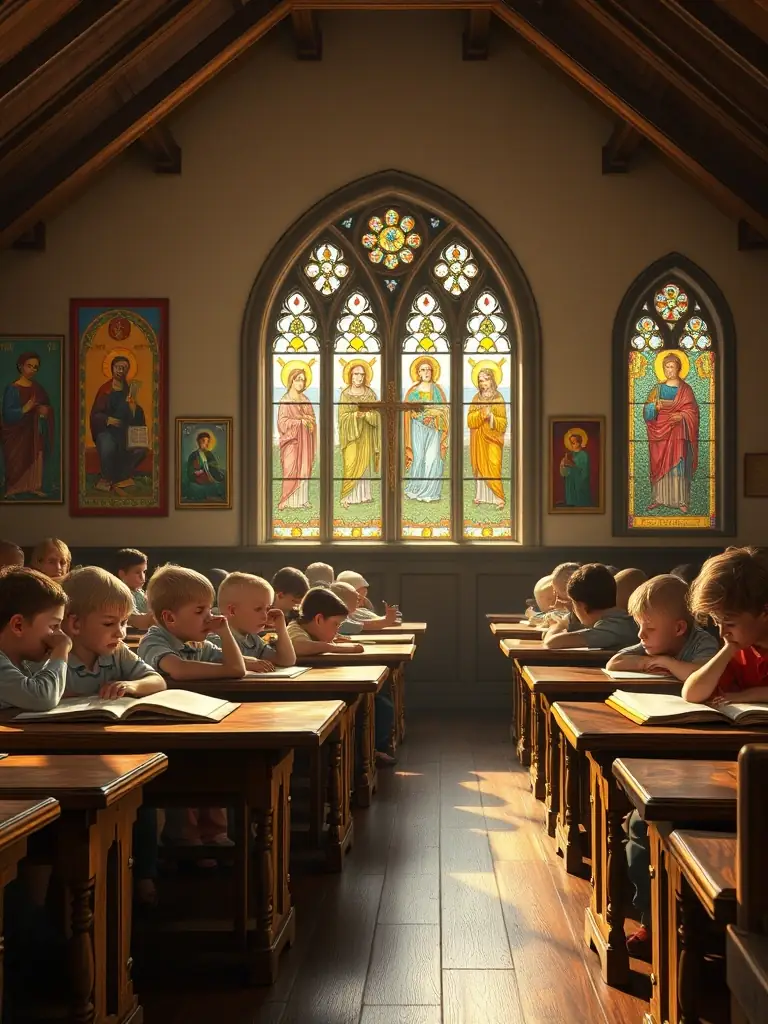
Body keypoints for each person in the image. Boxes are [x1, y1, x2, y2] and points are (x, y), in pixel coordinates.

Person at [606, 574, 719, 960]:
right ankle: (650, 915)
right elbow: (616, 661)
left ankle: (671, 921)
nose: (641, 634)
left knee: (646, 821)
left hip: (705, 746)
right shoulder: (651, 640)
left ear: (680, 628)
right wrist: (648, 659)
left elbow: (702, 675)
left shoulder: (704, 643)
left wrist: (667, 663)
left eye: (648, 628)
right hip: (671, 734)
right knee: (638, 820)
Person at [60, 567, 165, 905]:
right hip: (64, 756)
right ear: (74, 624)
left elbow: (157, 681)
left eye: (124, 623)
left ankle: (143, 875)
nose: (120, 633)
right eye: (109, 624)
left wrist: (131, 686)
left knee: (141, 803)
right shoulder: (54, 655)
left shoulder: (117, 653)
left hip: (112, 752)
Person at [138, 564, 248, 858]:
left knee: (215, 770)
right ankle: (183, 837)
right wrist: (226, 668)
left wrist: (224, 632)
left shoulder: (199, 642)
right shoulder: (153, 640)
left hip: (198, 721)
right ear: (169, 618)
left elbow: (237, 667)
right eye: (200, 611)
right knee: (183, 778)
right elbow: (179, 670)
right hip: (163, 729)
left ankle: (213, 832)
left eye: (210, 609)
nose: (209, 617)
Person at [287, 588, 395, 764]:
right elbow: (299, 646)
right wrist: (337, 648)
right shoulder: (294, 628)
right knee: (370, 707)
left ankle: (368, 752)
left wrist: (335, 639)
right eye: (336, 624)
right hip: (304, 696)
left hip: (320, 687)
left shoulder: (311, 630)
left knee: (378, 702)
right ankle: (362, 757)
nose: (337, 629)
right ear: (319, 619)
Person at [683, 547, 768, 705]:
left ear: (765, 612)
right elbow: (692, 694)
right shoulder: (740, 649)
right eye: (717, 623)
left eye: (730, 624)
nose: (722, 633)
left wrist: (748, 695)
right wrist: (727, 650)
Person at [0, 567, 69, 710]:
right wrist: (61, 651)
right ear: (18, 625)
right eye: (53, 626)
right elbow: (42, 698)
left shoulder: (22, 664)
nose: (60, 634)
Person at [642, 352, 699, 513]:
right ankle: (658, 498)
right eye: (666, 367)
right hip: (659, 432)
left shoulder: (685, 389)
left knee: (678, 464)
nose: (669, 370)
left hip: (678, 431)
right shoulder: (657, 388)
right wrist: (654, 407)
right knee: (659, 463)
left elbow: (693, 411)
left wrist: (682, 415)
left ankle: (681, 500)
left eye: (672, 367)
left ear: (679, 368)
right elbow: (646, 411)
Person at [542, 563, 639, 650]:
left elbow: (552, 642)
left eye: (574, 605)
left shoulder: (609, 630)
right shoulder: (625, 622)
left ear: (582, 607)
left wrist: (557, 625)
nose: (573, 611)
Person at [210, 572, 295, 668]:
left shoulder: (253, 640)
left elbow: (286, 660)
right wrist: (246, 663)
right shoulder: (217, 639)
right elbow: (216, 660)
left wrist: (281, 629)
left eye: (267, 609)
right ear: (232, 611)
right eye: (258, 609)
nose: (265, 616)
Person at [90, 354, 147, 492]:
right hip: (107, 431)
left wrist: (133, 408)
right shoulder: (105, 390)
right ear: (112, 368)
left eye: (124, 368)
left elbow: (136, 416)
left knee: (140, 449)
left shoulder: (129, 390)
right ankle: (106, 478)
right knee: (108, 444)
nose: (121, 370)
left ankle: (122, 477)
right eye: (118, 367)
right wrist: (108, 420)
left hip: (124, 431)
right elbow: (95, 415)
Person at [1, 351, 55, 499]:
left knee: (36, 456)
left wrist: (44, 411)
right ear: (20, 366)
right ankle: (13, 489)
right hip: (16, 434)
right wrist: (25, 409)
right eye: (29, 366)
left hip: (35, 431)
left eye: (35, 367)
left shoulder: (38, 388)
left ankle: (33, 487)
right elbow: (7, 414)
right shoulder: (12, 388)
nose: (32, 370)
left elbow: (46, 407)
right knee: (16, 460)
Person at [403, 357, 449, 503]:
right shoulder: (412, 391)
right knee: (418, 458)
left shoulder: (438, 390)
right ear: (418, 373)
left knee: (433, 457)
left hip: (434, 429)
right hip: (417, 429)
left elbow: (445, 409)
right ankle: (416, 489)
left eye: (429, 369)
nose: (426, 372)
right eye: (423, 370)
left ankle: (430, 492)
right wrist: (421, 416)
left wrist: (433, 414)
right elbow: (408, 411)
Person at [337, 361, 380, 507]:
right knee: (350, 464)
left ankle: (364, 495)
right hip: (351, 436)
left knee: (364, 465)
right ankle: (347, 496)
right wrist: (355, 415)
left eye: (362, 374)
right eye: (356, 374)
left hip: (366, 435)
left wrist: (367, 415)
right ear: (350, 376)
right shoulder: (345, 394)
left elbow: (377, 415)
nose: (359, 377)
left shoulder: (370, 394)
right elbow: (342, 418)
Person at [277, 366, 316, 510]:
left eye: (303, 380)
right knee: (290, 469)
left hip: (305, 441)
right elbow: (282, 423)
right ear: (291, 380)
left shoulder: (306, 400)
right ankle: (288, 500)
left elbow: (312, 418)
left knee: (304, 469)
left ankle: (302, 500)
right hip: (291, 441)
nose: (301, 383)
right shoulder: (285, 400)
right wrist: (299, 422)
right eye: (298, 379)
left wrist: (308, 420)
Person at [467, 365, 506, 507]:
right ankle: (481, 496)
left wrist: (491, 417)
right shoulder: (476, 398)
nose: (483, 384)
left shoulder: (499, 398)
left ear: (492, 381)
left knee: (494, 464)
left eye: (486, 380)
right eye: (481, 381)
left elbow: (503, 423)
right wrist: (481, 414)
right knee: (480, 466)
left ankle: (498, 497)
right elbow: (470, 420)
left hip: (493, 439)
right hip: (479, 439)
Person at [115, 547, 154, 631]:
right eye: (137, 572)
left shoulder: (141, 593)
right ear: (122, 574)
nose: (142, 577)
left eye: (144, 572)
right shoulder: (122, 595)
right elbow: (134, 620)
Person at [185, 431, 226, 502]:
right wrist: (197, 472)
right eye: (203, 441)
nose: (206, 443)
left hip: (211, 475)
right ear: (198, 441)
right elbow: (190, 470)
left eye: (207, 441)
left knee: (223, 477)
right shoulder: (193, 455)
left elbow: (214, 466)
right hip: (199, 477)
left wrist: (209, 467)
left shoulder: (209, 453)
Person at [559, 430, 591, 507]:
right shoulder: (570, 454)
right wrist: (563, 465)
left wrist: (572, 464)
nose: (571, 445)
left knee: (580, 501)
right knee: (571, 502)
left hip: (579, 482)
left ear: (579, 443)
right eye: (571, 442)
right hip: (570, 481)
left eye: (573, 442)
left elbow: (584, 470)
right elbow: (564, 472)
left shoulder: (583, 455)